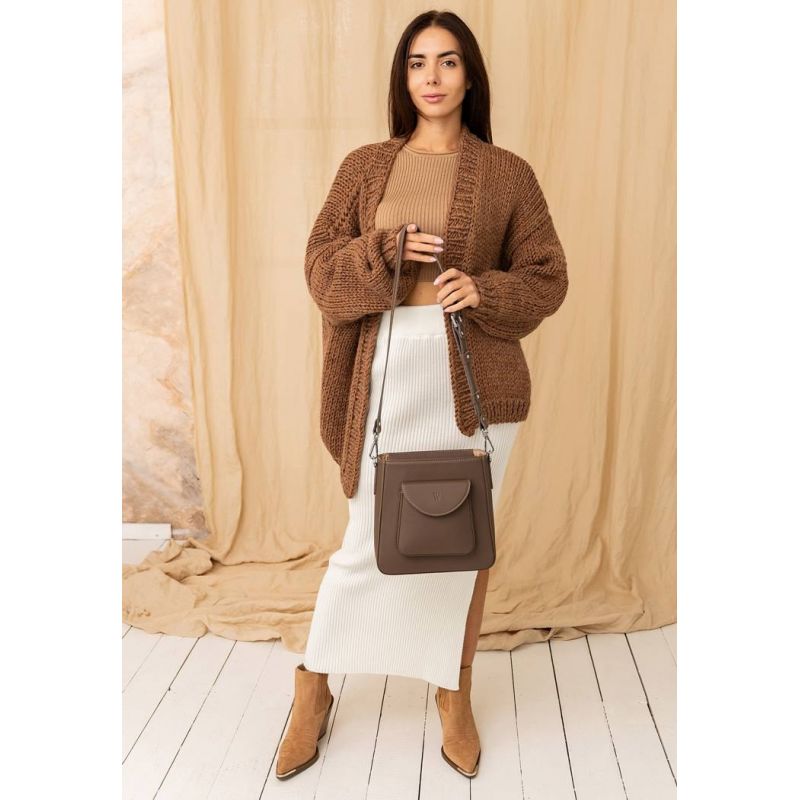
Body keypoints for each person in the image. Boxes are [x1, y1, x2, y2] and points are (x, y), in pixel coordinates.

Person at [276, 10, 569, 781]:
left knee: (461, 547)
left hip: (471, 383)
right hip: (385, 370)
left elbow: (547, 276)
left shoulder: (507, 174)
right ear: (403, 77)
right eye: (416, 63)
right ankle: (314, 683)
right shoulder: (366, 166)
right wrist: (385, 251)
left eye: (446, 62)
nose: (431, 77)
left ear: (470, 76)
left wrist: (484, 290)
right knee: (366, 540)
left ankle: (452, 690)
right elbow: (319, 268)